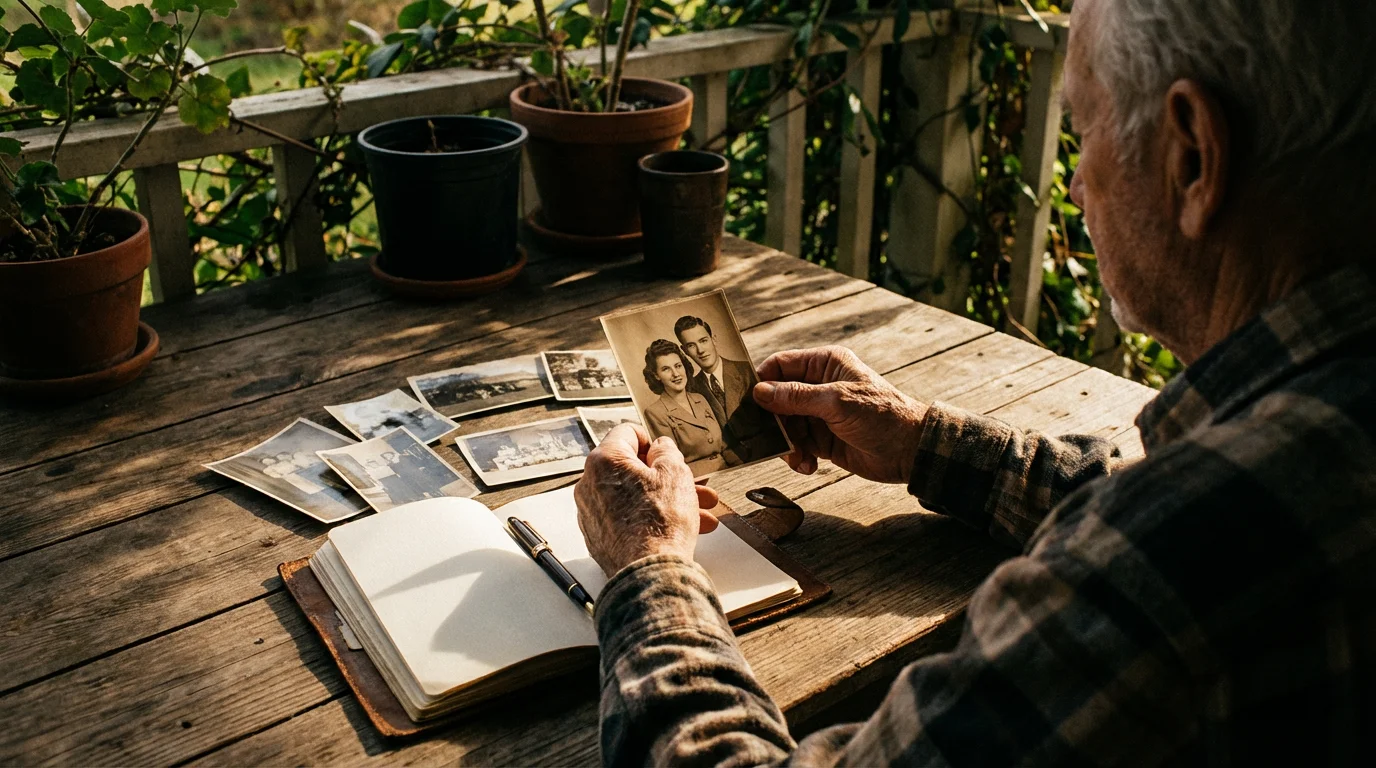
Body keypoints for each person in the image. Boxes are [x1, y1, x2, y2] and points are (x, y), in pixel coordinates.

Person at [574, 0, 1376, 763]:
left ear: (1193, 156)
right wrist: (926, 441)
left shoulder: (1166, 569)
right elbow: (1152, 494)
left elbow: (1172, 540)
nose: (1071, 187)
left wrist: (650, 569)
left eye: (1084, 128)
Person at [675, 315, 790, 463]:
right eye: (691, 345)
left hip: (773, 456)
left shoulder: (747, 371)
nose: (700, 350)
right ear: (684, 350)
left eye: (703, 341)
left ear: (713, 339)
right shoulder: (690, 390)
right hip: (727, 466)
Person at [640, 339, 729, 476]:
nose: (676, 374)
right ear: (656, 375)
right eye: (666, 369)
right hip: (697, 478)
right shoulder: (655, 412)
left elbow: (722, 443)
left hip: (727, 468)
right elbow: (673, 461)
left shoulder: (700, 398)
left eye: (678, 366)